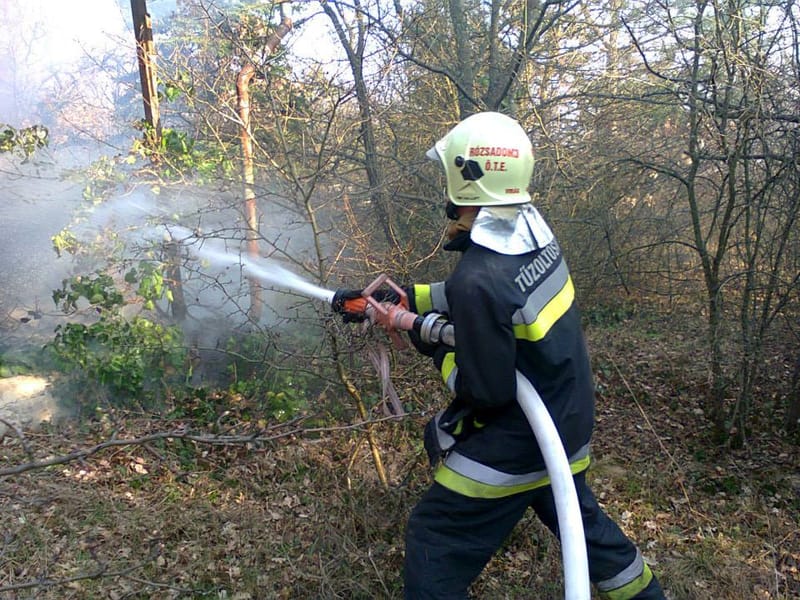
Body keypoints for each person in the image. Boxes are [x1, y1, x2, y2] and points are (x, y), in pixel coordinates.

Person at [336, 112, 665, 599]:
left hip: (517, 439)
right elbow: (490, 299)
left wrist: (431, 342)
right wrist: (407, 298)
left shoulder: (478, 279)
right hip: (567, 419)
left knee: (434, 537)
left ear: (465, 178)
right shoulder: (532, 236)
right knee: (588, 534)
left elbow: (485, 390)